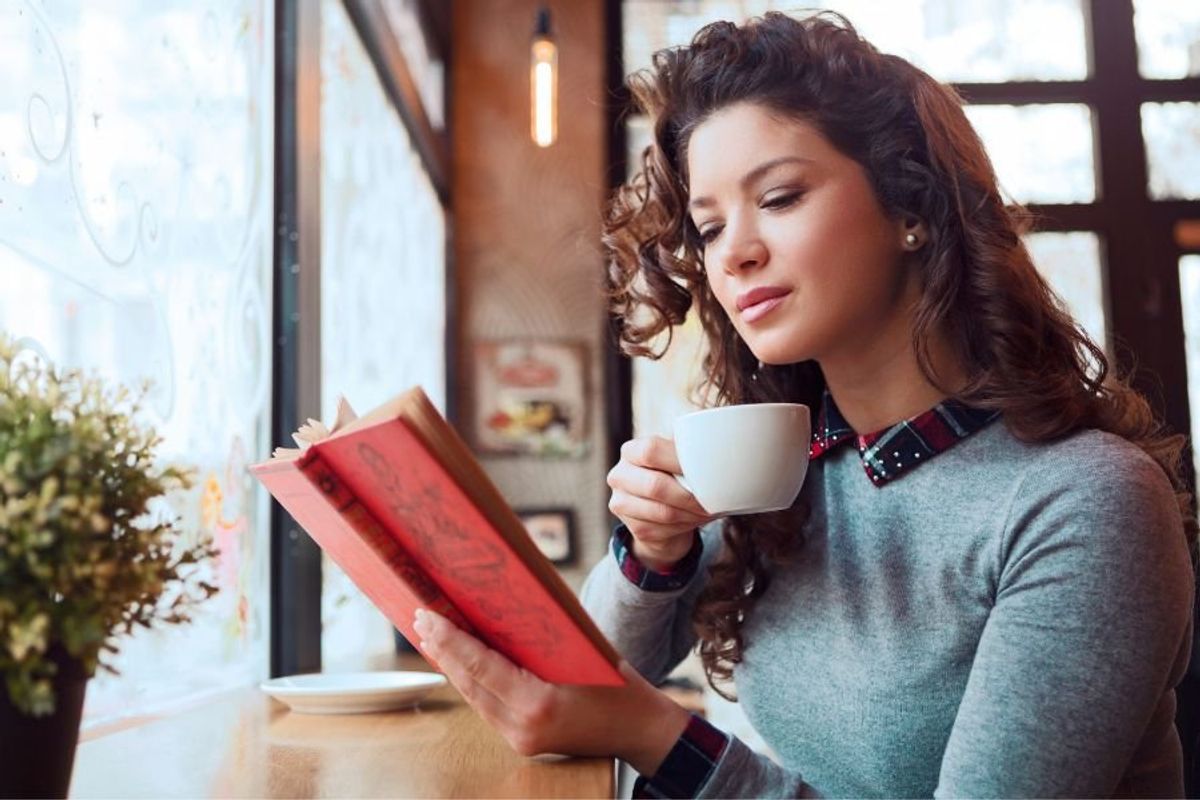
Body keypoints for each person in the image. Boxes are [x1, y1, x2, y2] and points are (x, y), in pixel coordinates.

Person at [410, 11, 1198, 797]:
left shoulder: (1087, 501)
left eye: (780, 197)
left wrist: (654, 736)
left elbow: (618, 707)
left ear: (911, 209)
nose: (735, 253)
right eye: (709, 227)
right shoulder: (797, 463)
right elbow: (588, 675)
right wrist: (654, 552)